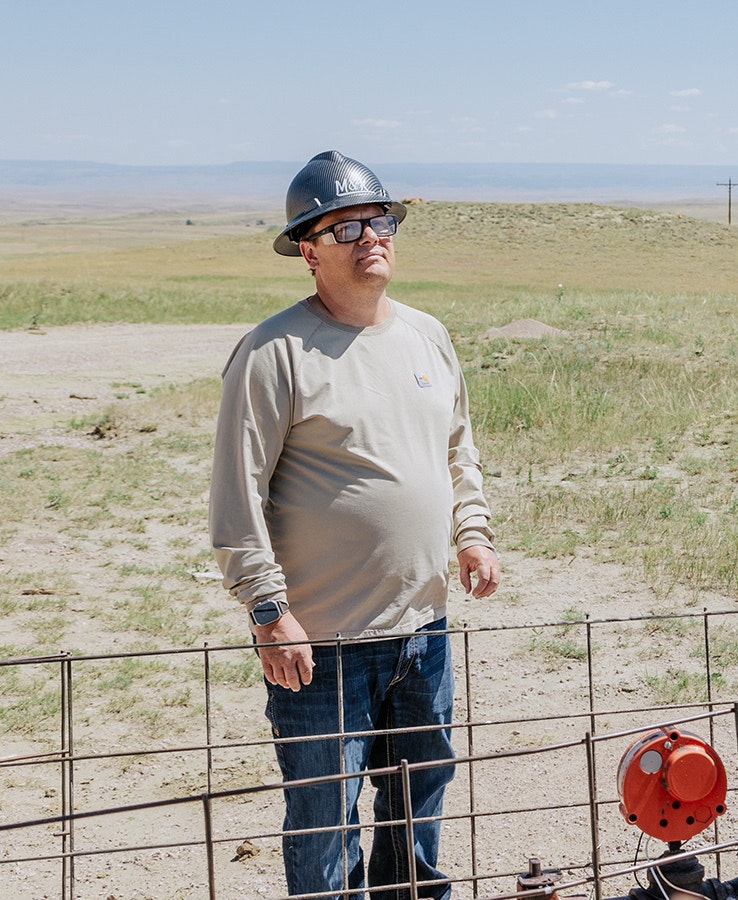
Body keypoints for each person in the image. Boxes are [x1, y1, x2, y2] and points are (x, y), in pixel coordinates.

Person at [210, 150, 501, 899]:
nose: (371, 236)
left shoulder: (427, 335)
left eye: (381, 219)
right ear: (308, 251)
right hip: (321, 644)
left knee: (416, 810)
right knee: (325, 824)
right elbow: (236, 492)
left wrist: (472, 532)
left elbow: (457, 449)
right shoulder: (274, 352)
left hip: (423, 631)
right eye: (345, 228)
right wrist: (269, 611)